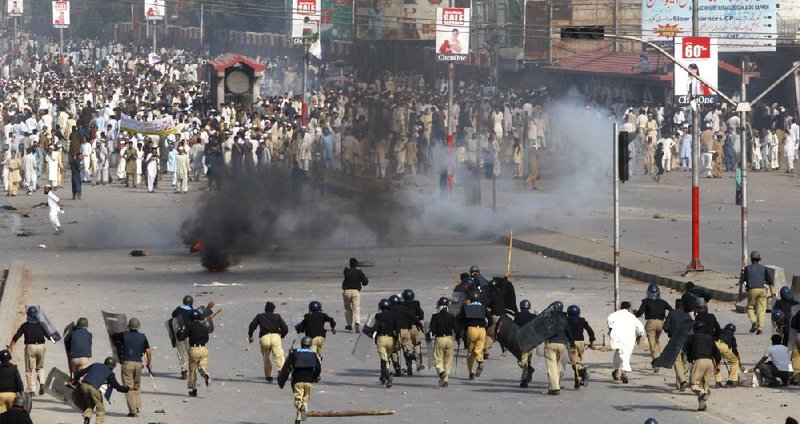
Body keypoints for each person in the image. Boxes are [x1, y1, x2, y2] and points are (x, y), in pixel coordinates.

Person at [111, 318, 152, 417]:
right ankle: (137, 406)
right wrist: (149, 364)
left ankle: (132, 411)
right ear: (138, 327)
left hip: (127, 363)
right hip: (138, 364)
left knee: (128, 386)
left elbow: (113, 336)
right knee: (136, 385)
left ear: (129, 326)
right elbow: (149, 351)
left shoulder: (124, 335)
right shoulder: (142, 337)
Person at [278, 336, 321, 424]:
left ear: (302, 344)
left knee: (298, 400)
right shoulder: (313, 354)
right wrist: (314, 377)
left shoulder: (295, 353)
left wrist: (281, 380)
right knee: (305, 400)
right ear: (310, 345)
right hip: (309, 381)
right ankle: (298, 419)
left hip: (298, 380)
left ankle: (301, 407)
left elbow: (287, 367)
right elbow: (318, 368)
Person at [75, 357, 130, 424]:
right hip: (94, 388)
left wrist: (75, 379)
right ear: (113, 367)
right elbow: (117, 386)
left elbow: (82, 371)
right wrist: (126, 389)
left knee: (90, 404)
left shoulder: (95, 365)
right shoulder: (110, 373)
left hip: (84, 385)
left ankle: (87, 418)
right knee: (100, 408)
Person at [7, 307, 47, 396]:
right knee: (40, 367)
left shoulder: (25, 325)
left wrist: (10, 347)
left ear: (28, 315)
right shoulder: (42, 324)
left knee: (29, 369)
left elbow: (16, 336)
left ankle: (32, 389)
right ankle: (42, 382)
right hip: (41, 346)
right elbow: (49, 335)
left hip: (30, 347)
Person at [634, 284, 673, 372]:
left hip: (651, 323)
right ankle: (658, 356)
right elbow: (671, 310)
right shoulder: (663, 302)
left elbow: (640, 312)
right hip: (661, 323)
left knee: (652, 342)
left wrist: (635, 314)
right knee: (656, 340)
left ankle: (656, 360)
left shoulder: (646, 302)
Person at [684, 321, 721, 411]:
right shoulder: (710, 338)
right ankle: (702, 405)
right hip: (710, 363)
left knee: (694, 384)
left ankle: (702, 392)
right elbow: (717, 353)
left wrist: (690, 359)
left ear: (695, 329)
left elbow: (686, 349)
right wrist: (717, 364)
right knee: (704, 385)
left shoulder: (692, 337)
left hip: (699, 361)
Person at [248, 301, 289, 383]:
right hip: (276, 337)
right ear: (273, 309)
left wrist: (250, 335)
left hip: (264, 338)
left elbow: (252, 325)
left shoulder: (260, 316)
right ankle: (281, 372)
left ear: (265, 309)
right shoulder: (277, 317)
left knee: (266, 357)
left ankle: (268, 376)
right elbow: (285, 328)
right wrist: (282, 335)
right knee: (279, 356)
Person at [457, 291, 492, 380]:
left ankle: (472, 372)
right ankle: (480, 361)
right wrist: (486, 328)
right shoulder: (483, 307)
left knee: (470, 352)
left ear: (470, 299)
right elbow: (490, 319)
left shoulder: (466, 307)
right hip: (482, 330)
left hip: (471, 330)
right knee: (478, 350)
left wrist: (462, 330)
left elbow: (460, 319)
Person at [607, 301, 645, 384]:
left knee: (618, 353)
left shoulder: (614, 315)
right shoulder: (632, 317)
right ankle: (624, 373)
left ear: (620, 307)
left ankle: (617, 372)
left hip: (617, 337)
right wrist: (639, 336)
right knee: (626, 355)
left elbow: (609, 321)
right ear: (628, 308)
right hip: (629, 338)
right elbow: (641, 329)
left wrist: (610, 330)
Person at [176, 309, 211, 397]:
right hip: (203, 349)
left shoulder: (190, 326)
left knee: (192, 370)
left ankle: (194, 389)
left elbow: (181, 337)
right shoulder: (203, 327)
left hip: (194, 349)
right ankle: (205, 374)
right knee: (202, 365)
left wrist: (180, 331)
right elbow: (207, 338)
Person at [739, 250, 773, 334]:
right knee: (761, 310)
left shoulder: (747, 269)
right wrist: (772, 289)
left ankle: (754, 322)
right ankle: (760, 328)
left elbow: (742, 281)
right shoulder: (763, 268)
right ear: (759, 259)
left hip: (752, 290)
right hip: (762, 290)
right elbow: (770, 281)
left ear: (751, 259)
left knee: (750, 307)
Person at [543, 302, 574, 395]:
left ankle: (555, 388)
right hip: (562, 345)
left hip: (551, 344)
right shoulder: (564, 319)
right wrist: (572, 344)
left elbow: (542, 331)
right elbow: (569, 332)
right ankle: (556, 384)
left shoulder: (548, 319)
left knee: (551, 366)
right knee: (557, 365)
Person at [388, 294, 422, 376]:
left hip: (395, 332)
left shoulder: (390, 310)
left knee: (394, 351)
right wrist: (420, 324)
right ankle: (411, 365)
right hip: (406, 331)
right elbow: (413, 317)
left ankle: (397, 370)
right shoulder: (404, 308)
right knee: (407, 350)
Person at [663, 298, 692, 391]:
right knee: (683, 362)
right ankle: (679, 384)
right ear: (683, 307)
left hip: (675, 341)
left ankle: (682, 381)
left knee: (676, 360)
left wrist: (670, 332)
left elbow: (665, 327)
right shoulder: (687, 316)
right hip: (686, 341)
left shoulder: (672, 314)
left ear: (676, 306)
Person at [427, 297, 456, 387]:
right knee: (448, 360)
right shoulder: (452, 316)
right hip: (449, 339)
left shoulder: (435, 317)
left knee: (437, 359)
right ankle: (445, 380)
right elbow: (457, 328)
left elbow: (432, 330)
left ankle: (441, 371)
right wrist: (459, 337)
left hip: (439, 339)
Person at [370, 299, 398, 388]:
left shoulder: (378, 316)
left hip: (381, 339)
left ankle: (387, 376)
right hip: (391, 340)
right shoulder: (393, 316)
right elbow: (396, 328)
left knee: (383, 359)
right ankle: (383, 377)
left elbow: (375, 327)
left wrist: (372, 334)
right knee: (387, 358)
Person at [567, 304, 595, 388]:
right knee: (578, 361)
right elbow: (590, 331)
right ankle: (578, 382)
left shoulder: (566, 320)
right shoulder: (582, 320)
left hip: (572, 343)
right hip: (581, 343)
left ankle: (583, 370)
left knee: (574, 363)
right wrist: (592, 340)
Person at [171, 295, 195, 379]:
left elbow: (173, 315)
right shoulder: (192, 311)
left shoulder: (178, 310)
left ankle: (184, 370)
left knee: (181, 352)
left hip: (179, 333)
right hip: (189, 334)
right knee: (190, 352)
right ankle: (192, 369)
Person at [341, 257, 368, 332]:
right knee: (356, 308)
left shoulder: (346, 271)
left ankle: (349, 324)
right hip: (356, 292)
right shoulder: (359, 272)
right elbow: (365, 281)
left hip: (346, 292)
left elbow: (347, 272)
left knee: (348, 308)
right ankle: (357, 323)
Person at [401, 289, 425, 371]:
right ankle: (418, 364)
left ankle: (409, 365)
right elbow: (421, 315)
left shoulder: (401, 304)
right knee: (416, 344)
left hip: (404, 328)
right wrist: (418, 319)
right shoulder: (416, 303)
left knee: (407, 347)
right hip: (414, 327)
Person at [515, 299, 536, 388]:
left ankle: (525, 378)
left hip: (522, 341)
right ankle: (524, 381)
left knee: (522, 361)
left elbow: (514, 326)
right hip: (531, 342)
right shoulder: (533, 316)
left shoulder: (518, 315)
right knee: (527, 361)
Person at [714, 323, 742, 388]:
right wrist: (740, 364)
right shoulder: (732, 336)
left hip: (714, 344)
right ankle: (731, 381)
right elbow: (735, 351)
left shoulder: (720, 330)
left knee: (716, 362)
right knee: (735, 361)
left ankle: (718, 382)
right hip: (723, 346)